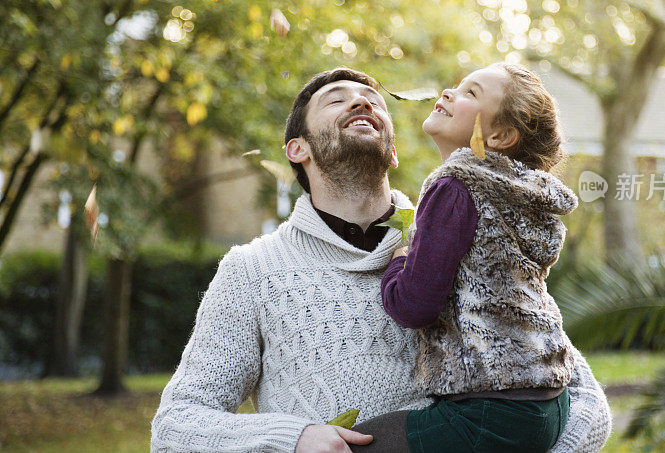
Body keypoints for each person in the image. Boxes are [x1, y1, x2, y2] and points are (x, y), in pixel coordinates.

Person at [150, 67, 612, 453]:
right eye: (336, 100)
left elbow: (579, 395)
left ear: (392, 152)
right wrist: (293, 437)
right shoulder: (252, 270)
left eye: (374, 100)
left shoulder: (467, 237)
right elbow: (176, 426)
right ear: (298, 149)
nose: (361, 103)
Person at [350, 62, 584, 453]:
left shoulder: (455, 185)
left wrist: (397, 259)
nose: (447, 92)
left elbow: (413, 305)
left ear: (500, 134)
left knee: (348, 446)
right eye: (457, 86)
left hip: (491, 410)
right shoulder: (518, 193)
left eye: (470, 93)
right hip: (550, 401)